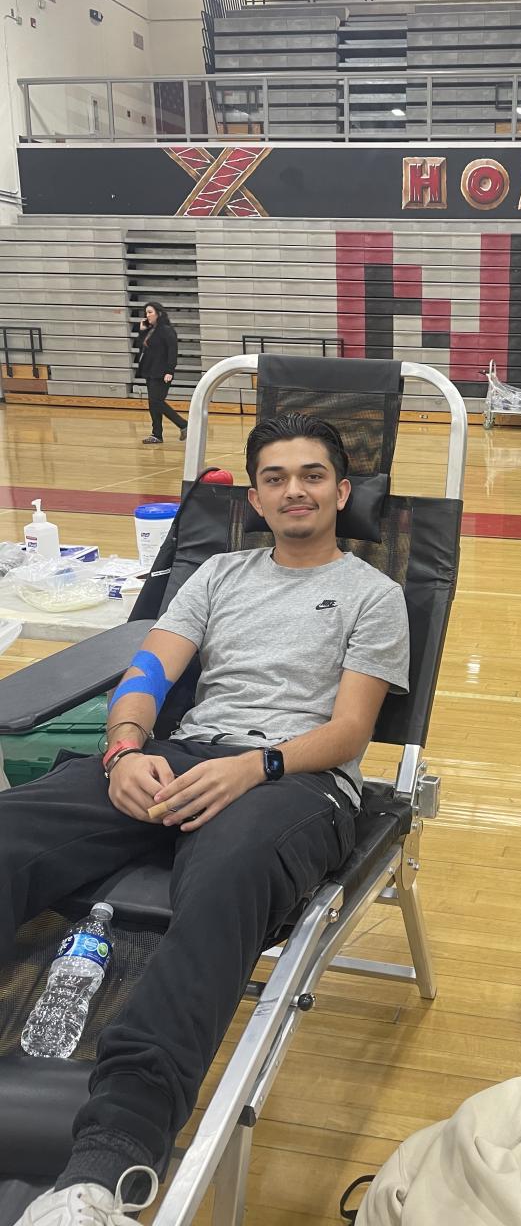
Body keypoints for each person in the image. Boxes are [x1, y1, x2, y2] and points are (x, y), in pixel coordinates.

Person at [7, 414, 410, 1226]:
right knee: (12, 831)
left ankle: (109, 1160)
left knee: (222, 887)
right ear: (255, 498)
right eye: (275, 478)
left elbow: (349, 732)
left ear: (342, 491)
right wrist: (124, 749)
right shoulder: (218, 575)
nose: (293, 490)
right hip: (183, 757)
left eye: (311, 475)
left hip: (297, 782)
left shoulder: (376, 594)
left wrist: (256, 767)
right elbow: (146, 675)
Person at [135, 302, 188, 446]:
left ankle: (184, 425)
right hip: (149, 371)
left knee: (157, 401)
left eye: (150, 312)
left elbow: (172, 351)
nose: (147, 315)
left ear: (158, 313)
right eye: (146, 313)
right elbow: (140, 345)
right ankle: (156, 434)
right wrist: (142, 331)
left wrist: (170, 371)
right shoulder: (150, 330)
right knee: (153, 403)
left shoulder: (166, 330)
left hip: (162, 372)